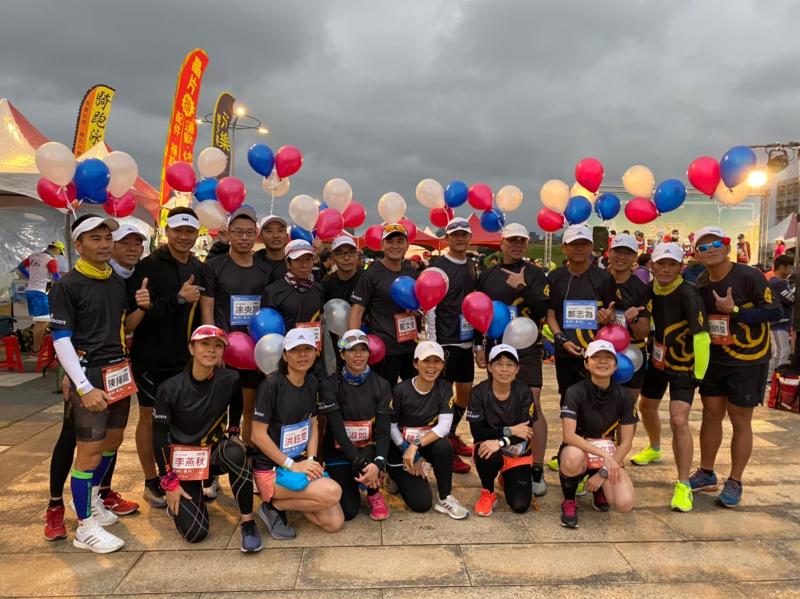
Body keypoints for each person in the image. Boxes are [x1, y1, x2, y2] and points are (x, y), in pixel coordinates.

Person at [43, 224, 145, 542]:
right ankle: (85, 527)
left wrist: (143, 307)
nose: (104, 244)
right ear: (78, 245)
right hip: (89, 375)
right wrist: (82, 385)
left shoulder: (114, 281)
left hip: (118, 372)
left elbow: (120, 327)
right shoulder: (67, 285)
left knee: (112, 443)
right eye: (95, 239)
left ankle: (91, 501)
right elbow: (61, 340)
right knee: (87, 453)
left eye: (107, 238)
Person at [692, 226, 782, 507]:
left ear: (728, 247)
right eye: (703, 247)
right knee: (710, 414)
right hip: (716, 358)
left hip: (748, 360)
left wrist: (735, 310)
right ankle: (706, 472)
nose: (710, 250)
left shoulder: (749, 276)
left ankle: (735, 480)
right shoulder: (702, 283)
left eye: (716, 244)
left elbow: (774, 311)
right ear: (696, 255)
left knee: (740, 419)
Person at [152, 325, 261, 551]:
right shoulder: (169, 388)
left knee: (236, 451)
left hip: (213, 454)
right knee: (195, 533)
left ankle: (248, 522)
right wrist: (169, 481)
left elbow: (237, 402)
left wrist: (233, 431)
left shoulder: (230, 378)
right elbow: (159, 438)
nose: (211, 350)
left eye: (218, 345)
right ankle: (184, 502)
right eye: (204, 344)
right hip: (183, 464)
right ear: (191, 348)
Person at [129, 207, 204, 508]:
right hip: (151, 359)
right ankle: (151, 481)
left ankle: (178, 474)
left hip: (184, 359)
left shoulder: (197, 266)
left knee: (181, 419)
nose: (183, 236)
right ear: (167, 231)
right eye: (178, 230)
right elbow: (140, 316)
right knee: (149, 419)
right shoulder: (147, 267)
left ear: (197, 234)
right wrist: (179, 299)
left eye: (189, 231)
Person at [630, 243, 710, 512]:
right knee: (645, 406)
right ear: (651, 266)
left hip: (684, 365)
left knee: (679, 419)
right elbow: (641, 325)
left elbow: (702, 337)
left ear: (681, 267)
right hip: (657, 360)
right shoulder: (647, 290)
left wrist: (699, 375)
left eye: (672, 264)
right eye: (661, 264)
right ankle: (655, 448)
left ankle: (684, 484)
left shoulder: (690, 294)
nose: (665, 269)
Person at [477, 222, 550, 494]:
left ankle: (537, 467)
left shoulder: (536, 273)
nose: (517, 245)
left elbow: (543, 310)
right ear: (502, 243)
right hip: (498, 348)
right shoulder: (487, 275)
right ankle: (506, 461)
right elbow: (479, 312)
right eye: (512, 240)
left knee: (533, 404)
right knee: (499, 405)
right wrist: (478, 346)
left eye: (522, 240)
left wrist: (523, 287)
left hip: (528, 348)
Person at [251, 328, 344, 539]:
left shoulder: (312, 382)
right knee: (333, 492)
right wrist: (292, 465)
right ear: (284, 355)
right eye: (295, 350)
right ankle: (273, 503)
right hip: (271, 469)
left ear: (315, 352)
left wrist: (311, 460)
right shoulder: (271, 384)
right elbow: (257, 435)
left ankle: (279, 505)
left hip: (299, 462)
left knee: (334, 523)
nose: (302, 355)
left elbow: (313, 424)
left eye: (307, 349)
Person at [201, 206, 271, 447]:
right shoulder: (214, 266)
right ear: (228, 233)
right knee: (217, 409)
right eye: (238, 232)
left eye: (249, 233)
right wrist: (212, 347)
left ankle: (247, 458)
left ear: (256, 235)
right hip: (223, 351)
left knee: (250, 408)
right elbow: (207, 309)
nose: (244, 237)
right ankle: (214, 463)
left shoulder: (264, 270)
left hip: (254, 353)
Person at [558, 340, 637, 528]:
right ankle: (569, 500)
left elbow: (626, 442)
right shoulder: (574, 391)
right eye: (596, 357)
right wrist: (604, 457)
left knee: (624, 503)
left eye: (608, 358)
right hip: (579, 447)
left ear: (615, 365)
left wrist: (604, 472)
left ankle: (599, 489)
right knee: (571, 457)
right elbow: (569, 435)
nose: (602, 361)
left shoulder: (625, 396)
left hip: (607, 452)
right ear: (586, 363)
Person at [386, 341, 469, 518]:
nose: (431, 366)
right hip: (400, 447)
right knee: (421, 503)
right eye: (426, 361)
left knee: (444, 447)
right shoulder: (400, 390)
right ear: (415, 363)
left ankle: (445, 497)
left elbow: (444, 426)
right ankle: (394, 475)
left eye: (436, 361)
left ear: (443, 365)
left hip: (421, 445)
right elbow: (391, 426)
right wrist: (407, 449)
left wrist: (415, 446)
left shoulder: (444, 388)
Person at [317, 329, 392, 521]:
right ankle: (356, 477)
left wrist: (378, 463)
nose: (358, 355)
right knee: (349, 511)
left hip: (367, 450)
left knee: (369, 459)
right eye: (352, 350)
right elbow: (338, 432)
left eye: (363, 350)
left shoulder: (382, 385)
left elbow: (383, 431)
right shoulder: (329, 385)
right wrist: (361, 463)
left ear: (369, 353)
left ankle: (374, 493)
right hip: (339, 452)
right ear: (342, 355)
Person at [426, 218, 479, 475]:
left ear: (469, 238)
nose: (460, 239)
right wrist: (433, 343)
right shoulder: (438, 266)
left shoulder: (471, 264)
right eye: (455, 235)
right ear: (447, 238)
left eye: (464, 235)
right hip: (445, 340)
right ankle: (443, 444)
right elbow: (430, 305)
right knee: (444, 396)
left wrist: (477, 344)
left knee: (465, 393)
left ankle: (452, 433)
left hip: (465, 340)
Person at [546, 225, 615, 406]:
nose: (579, 248)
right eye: (574, 244)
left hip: (596, 353)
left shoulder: (604, 278)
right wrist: (561, 340)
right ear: (564, 248)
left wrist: (608, 318)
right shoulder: (555, 277)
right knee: (568, 399)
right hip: (565, 352)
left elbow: (612, 312)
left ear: (591, 247)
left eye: (584, 244)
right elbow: (550, 314)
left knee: (597, 402)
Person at [468, 344, 536, 516]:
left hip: (517, 452)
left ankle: (506, 476)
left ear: (517, 369)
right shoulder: (478, 393)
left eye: (509, 364)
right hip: (490, 448)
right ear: (490, 367)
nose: (504, 369)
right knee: (486, 452)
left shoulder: (524, 392)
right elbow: (478, 432)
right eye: (499, 364)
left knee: (520, 505)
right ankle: (488, 492)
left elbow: (526, 432)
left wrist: (499, 442)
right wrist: (510, 430)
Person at [349, 223, 419, 384]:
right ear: (382, 245)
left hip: (410, 346)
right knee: (385, 395)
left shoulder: (412, 273)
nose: (395, 246)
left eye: (400, 241)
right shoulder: (371, 274)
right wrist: (353, 344)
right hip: (384, 349)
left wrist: (416, 309)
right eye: (390, 241)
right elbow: (357, 311)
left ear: (407, 246)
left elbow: (419, 304)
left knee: (412, 393)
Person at [600, 234, 651, 402]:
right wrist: (599, 318)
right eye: (617, 251)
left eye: (627, 253)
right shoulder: (596, 281)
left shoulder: (642, 289)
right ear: (609, 253)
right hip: (601, 352)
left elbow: (644, 331)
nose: (621, 257)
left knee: (627, 408)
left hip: (632, 354)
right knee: (599, 407)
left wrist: (633, 320)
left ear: (635, 257)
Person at [18, 243, 61, 353]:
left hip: (30, 292)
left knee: (39, 322)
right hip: (40, 293)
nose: (58, 255)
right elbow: (57, 277)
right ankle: (36, 350)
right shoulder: (51, 260)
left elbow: (20, 267)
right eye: (59, 252)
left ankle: (35, 349)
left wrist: (30, 277)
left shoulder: (33, 256)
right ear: (56, 249)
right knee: (43, 322)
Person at [767, 254, 795, 383]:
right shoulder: (776, 283)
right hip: (778, 324)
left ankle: (770, 378)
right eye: (790, 267)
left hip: (780, 323)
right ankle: (775, 379)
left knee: (778, 351)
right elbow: (791, 299)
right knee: (781, 351)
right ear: (782, 267)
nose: (791, 270)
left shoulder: (781, 283)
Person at [254, 215, 289, 284]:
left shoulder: (296, 262)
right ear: (260, 237)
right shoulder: (253, 262)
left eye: (280, 230)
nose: (276, 235)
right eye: (269, 231)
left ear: (287, 236)